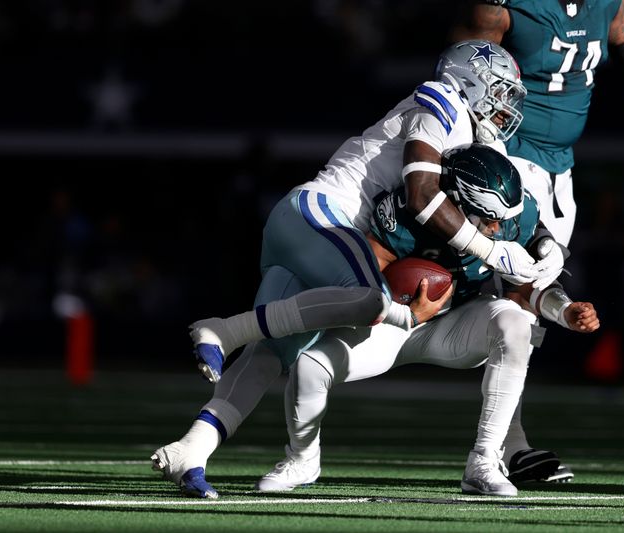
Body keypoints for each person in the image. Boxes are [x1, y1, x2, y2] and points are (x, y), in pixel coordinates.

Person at [151, 40, 565, 498]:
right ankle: (223, 330)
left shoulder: (472, 140)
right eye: (499, 91)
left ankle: (192, 449)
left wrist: (549, 250)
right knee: (371, 299)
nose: (505, 107)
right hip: (324, 213)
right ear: (469, 80)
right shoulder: (441, 100)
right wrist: (489, 253)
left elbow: (516, 216)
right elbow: (422, 195)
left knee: (271, 352)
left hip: (311, 231)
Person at [256, 143, 600, 497]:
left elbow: (522, 287)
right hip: (393, 322)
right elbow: (363, 279)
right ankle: (302, 458)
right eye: (489, 218)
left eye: (503, 218)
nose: (498, 228)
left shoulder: (515, 215)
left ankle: (484, 460)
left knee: (516, 324)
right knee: (310, 366)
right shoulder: (405, 212)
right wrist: (399, 308)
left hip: (456, 321)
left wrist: (564, 310)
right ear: (457, 202)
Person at [450, 0, 624, 484]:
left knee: (531, 308)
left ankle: (504, 445)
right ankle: (505, 448)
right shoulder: (509, 5)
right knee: (514, 305)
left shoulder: (608, 4)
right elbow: (462, 77)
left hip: (559, 168)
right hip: (507, 162)